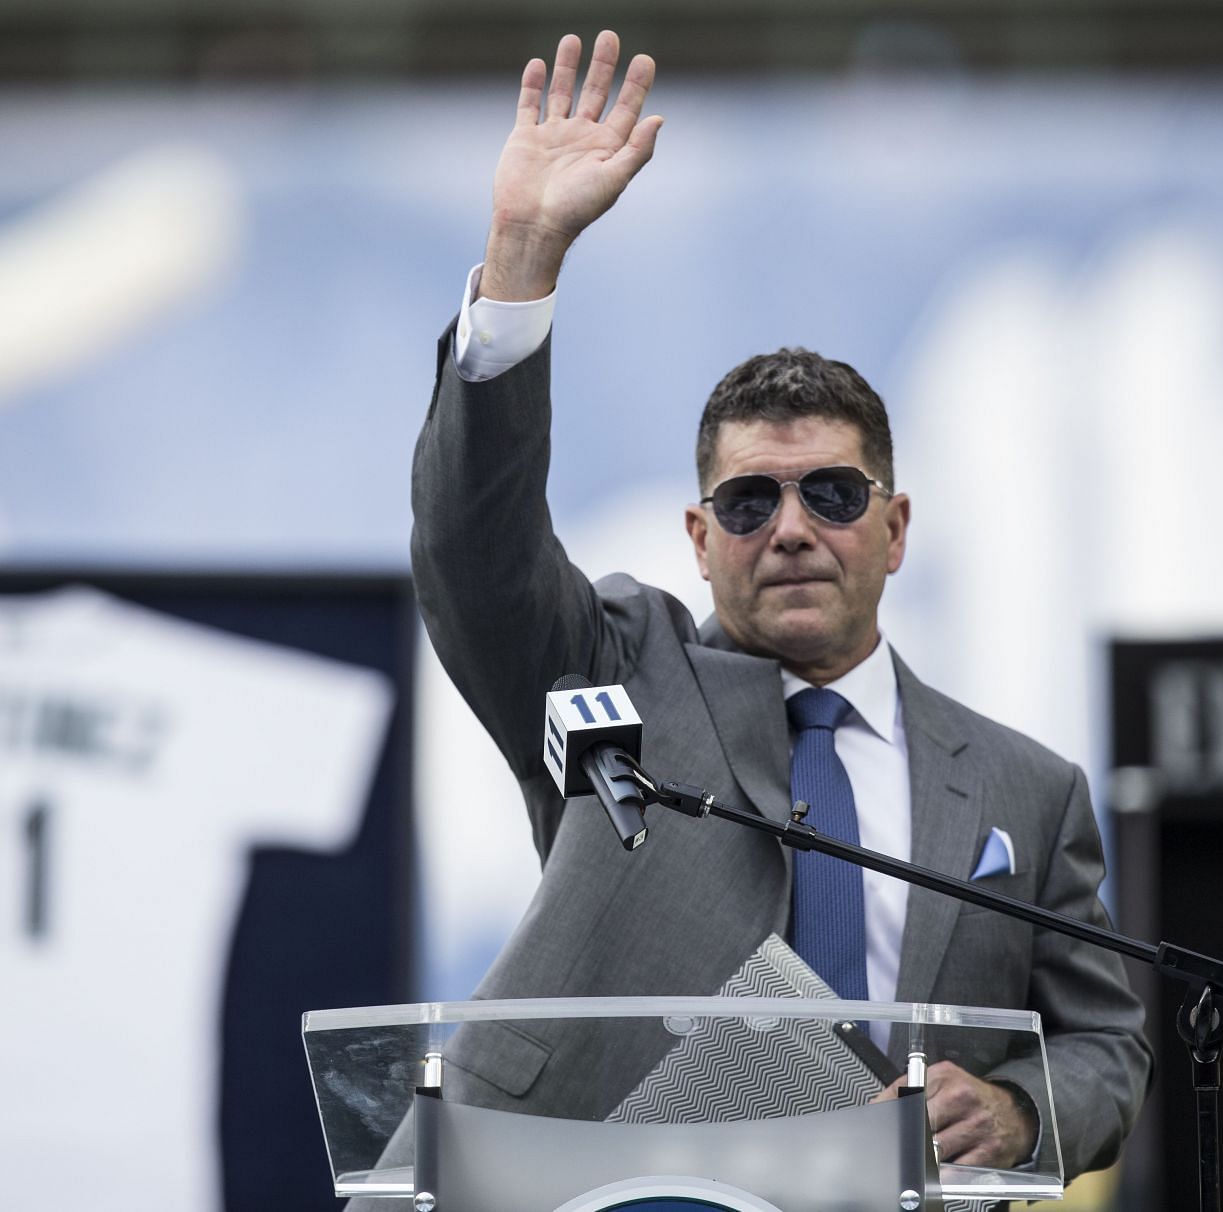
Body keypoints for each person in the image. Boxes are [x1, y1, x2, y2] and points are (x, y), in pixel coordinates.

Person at [408, 29, 1150, 1183]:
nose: (794, 527)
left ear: (895, 531)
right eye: (750, 501)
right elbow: (473, 550)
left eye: (834, 494)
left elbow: (1108, 1044)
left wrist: (1017, 1112)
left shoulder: (1027, 792)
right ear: (699, 543)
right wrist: (520, 259)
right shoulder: (617, 672)